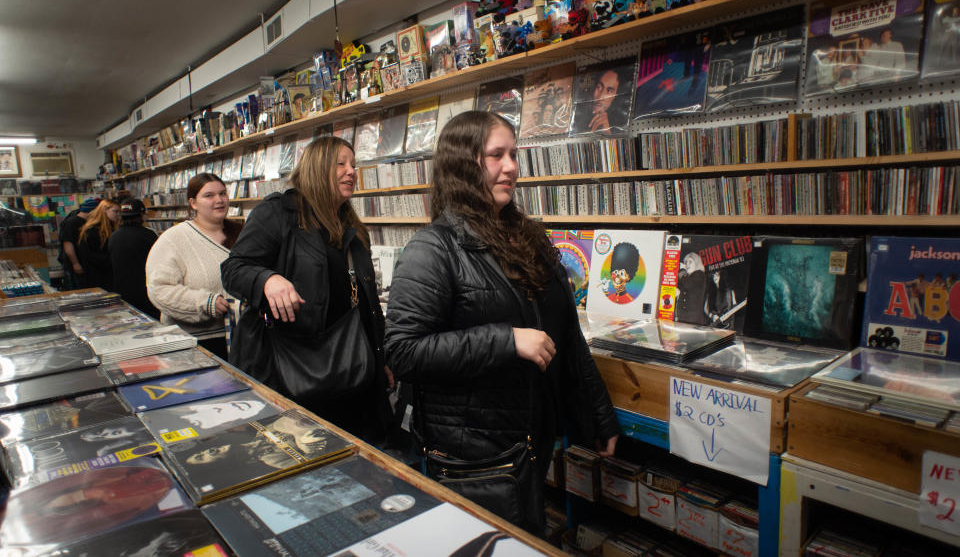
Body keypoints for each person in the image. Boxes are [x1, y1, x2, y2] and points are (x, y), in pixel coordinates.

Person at [384, 111, 619, 533]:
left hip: (530, 442)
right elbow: (403, 351)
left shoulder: (529, 238)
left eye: (513, 154)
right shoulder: (432, 249)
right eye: (496, 155)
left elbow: (565, 333)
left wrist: (598, 415)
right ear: (463, 164)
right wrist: (506, 341)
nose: (511, 166)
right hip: (475, 458)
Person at [221, 137, 390, 442]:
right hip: (287, 370)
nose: (351, 171)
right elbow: (233, 269)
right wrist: (266, 280)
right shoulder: (279, 213)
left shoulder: (350, 224)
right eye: (341, 163)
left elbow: (366, 304)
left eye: (353, 165)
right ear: (316, 167)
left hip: (350, 372)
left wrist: (381, 361)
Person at [145, 174, 241, 359]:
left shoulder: (242, 233)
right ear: (193, 203)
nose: (219, 200)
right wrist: (204, 302)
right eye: (209, 195)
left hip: (242, 338)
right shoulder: (173, 239)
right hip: (194, 344)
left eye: (223, 193)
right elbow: (159, 289)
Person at [108, 198, 159, 319]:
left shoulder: (114, 236)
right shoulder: (148, 235)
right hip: (146, 293)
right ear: (141, 215)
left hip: (122, 291)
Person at [76, 199, 120, 291]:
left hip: (109, 273)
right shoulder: (92, 230)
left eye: (119, 211)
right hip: (97, 276)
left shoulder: (112, 228)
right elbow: (89, 254)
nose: (118, 214)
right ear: (105, 210)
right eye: (115, 211)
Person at [58, 198, 99, 290]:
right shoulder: (72, 222)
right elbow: (68, 244)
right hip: (78, 263)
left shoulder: (87, 222)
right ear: (92, 211)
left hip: (86, 263)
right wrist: (75, 263)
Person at [676, 251, 708, 325]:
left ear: (696, 263)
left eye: (690, 262)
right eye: (686, 262)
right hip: (684, 319)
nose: (687, 264)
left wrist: (682, 270)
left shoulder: (699, 274)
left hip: (693, 320)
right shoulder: (687, 277)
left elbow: (689, 285)